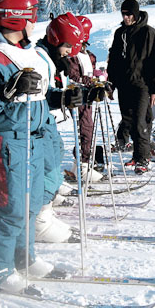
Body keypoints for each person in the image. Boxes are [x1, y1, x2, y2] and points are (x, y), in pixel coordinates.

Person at [0, 0, 82, 292]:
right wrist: (5, 90)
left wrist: (63, 99)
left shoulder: (29, 52)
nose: (36, 22)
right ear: (17, 18)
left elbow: (36, 98)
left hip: (33, 136)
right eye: (33, 16)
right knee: (12, 209)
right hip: (7, 141)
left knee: (29, 207)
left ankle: (24, 258)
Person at [34, 12, 87, 238]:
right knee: (47, 166)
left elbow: (48, 92)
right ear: (56, 40)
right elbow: (37, 95)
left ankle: (45, 214)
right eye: (67, 46)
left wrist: (69, 95)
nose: (69, 52)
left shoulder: (51, 58)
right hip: (38, 121)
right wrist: (60, 98)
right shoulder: (40, 58)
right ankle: (39, 223)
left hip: (46, 118)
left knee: (56, 155)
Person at [107, 0, 155, 174]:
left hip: (142, 86)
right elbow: (114, 61)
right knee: (129, 122)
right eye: (123, 14)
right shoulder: (120, 33)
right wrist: (111, 84)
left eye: (130, 14)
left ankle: (143, 159)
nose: (126, 17)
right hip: (124, 85)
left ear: (137, 13)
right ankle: (137, 155)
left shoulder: (148, 33)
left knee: (141, 122)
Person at [64, 15, 106, 183]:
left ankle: (81, 164)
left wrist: (100, 78)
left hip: (87, 97)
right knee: (85, 130)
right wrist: (91, 81)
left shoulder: (87, 54)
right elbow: (74, 75)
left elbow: (90, 71)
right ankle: (83, 165)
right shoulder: (73, 56)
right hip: (78, 96)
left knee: (87, 130)